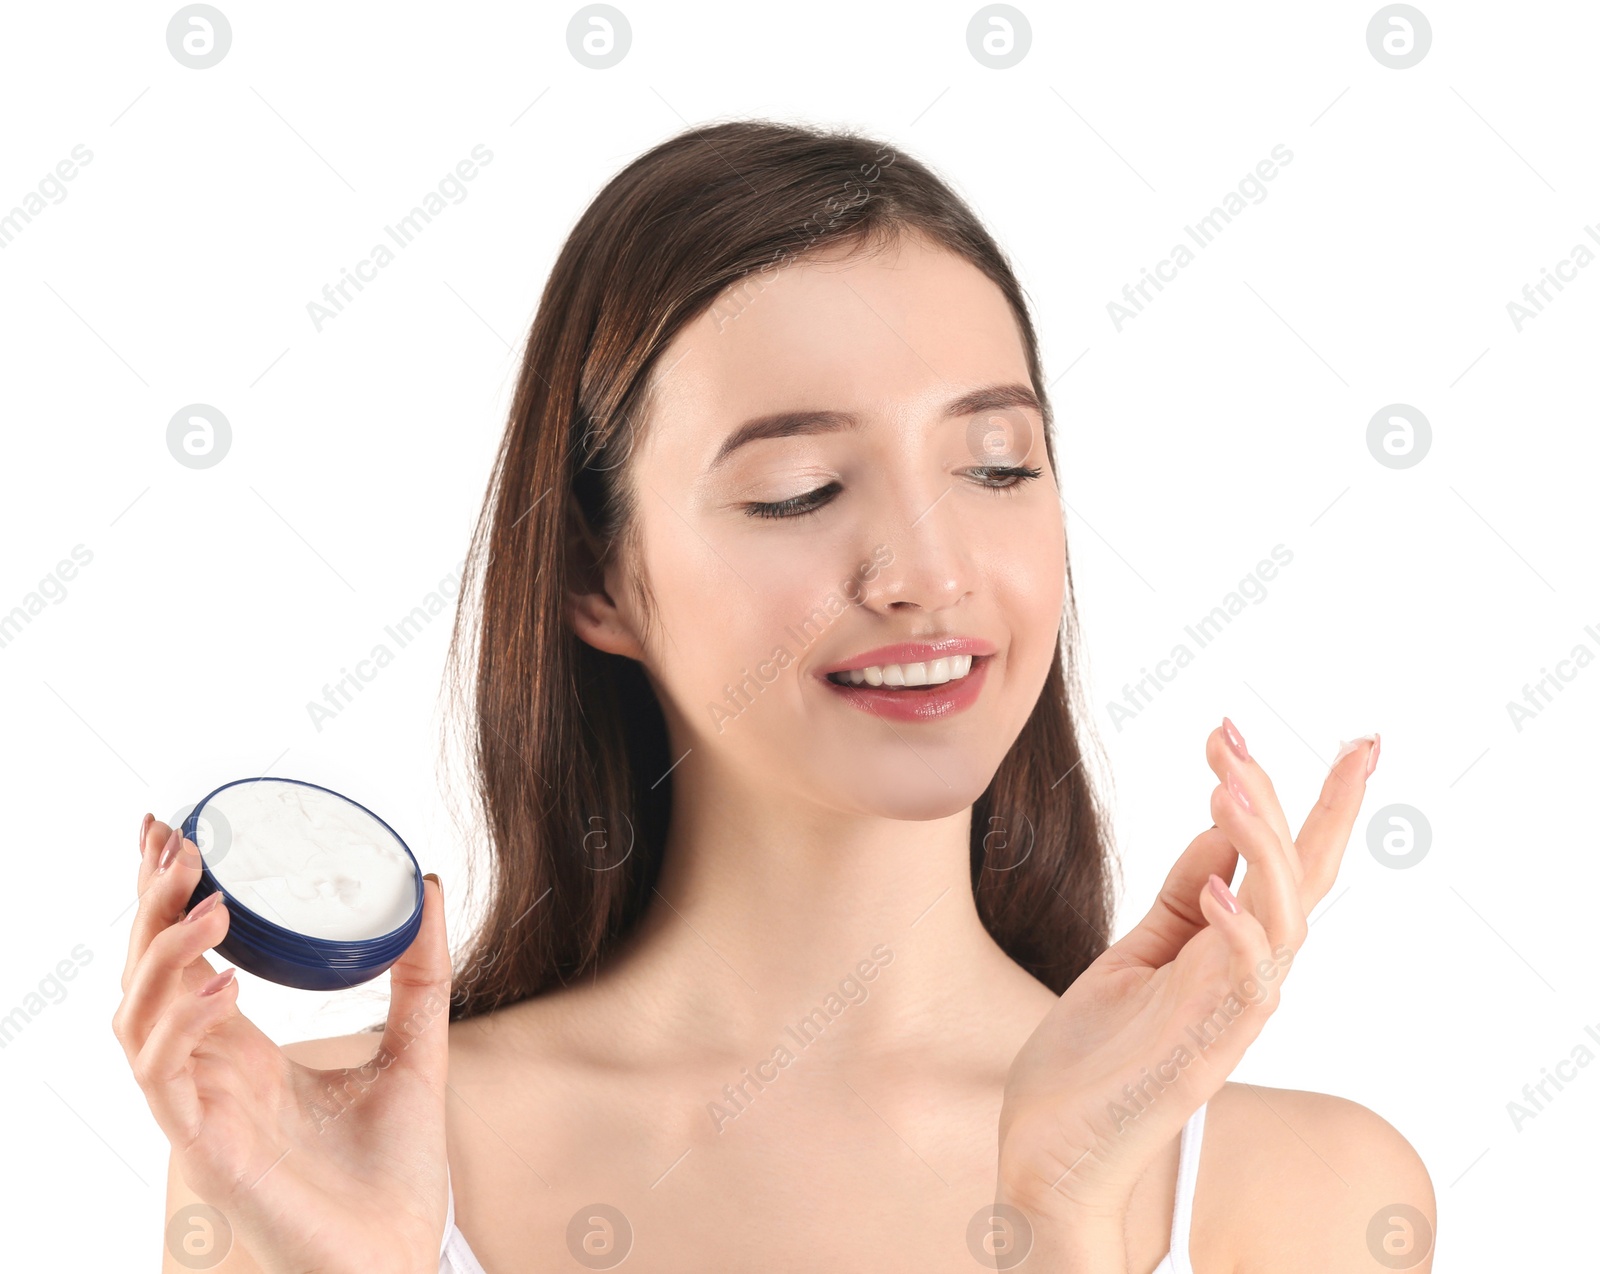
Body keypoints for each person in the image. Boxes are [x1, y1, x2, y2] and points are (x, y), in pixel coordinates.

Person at [116, 119, 1434, 1272]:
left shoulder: (1299, 1189)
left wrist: (1061, 1223)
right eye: (801, 489)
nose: (928, 571)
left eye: (997, 465)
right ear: (598, 579)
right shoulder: (323, 1137)